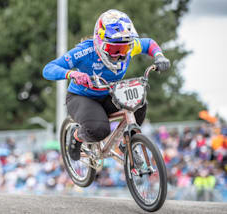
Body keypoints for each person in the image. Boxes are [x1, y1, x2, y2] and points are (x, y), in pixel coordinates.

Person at [42, 9, 170, 160]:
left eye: (124, 48)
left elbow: (148, 43)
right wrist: (72, 74)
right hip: (81, 97)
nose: (120, 54)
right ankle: (76, 136)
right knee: (100, 131)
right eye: (114, 48)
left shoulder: (129, 48)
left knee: (139, 103)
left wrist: (159, 56)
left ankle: (128, 141)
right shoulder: (85, 51)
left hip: (109, 93)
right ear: (100, 41)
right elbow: (48, 69)